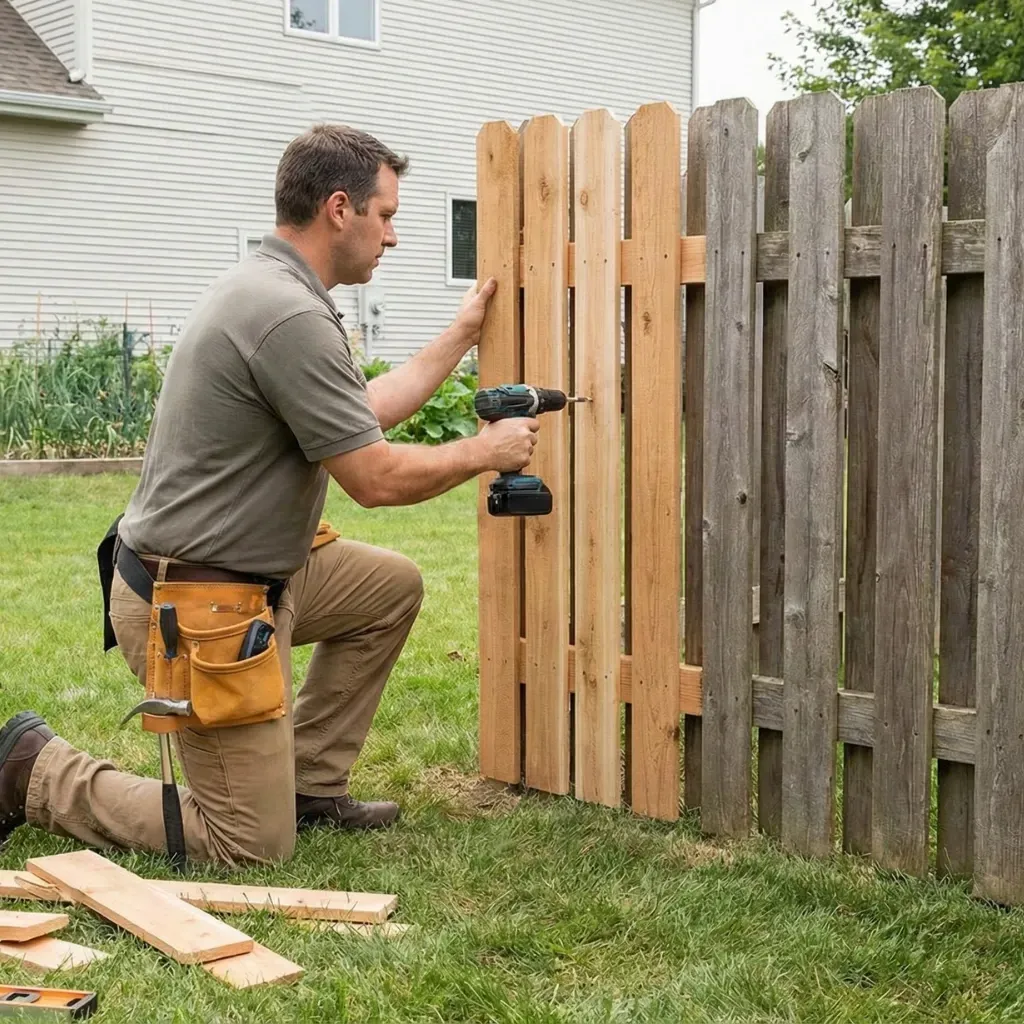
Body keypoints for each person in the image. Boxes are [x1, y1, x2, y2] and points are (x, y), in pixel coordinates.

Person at [0, 124, 539, 867]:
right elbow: (373, 478)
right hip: (193, 606)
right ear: (340, 209)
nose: (394, 238)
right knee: (246, 845)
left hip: (254, 577)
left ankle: (308, 784)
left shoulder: (274, 287)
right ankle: (32, 769)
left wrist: (460, 335)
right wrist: (486, 451)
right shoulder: (286, 313)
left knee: (389, 588)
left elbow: (362, 411)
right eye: (386, 217)